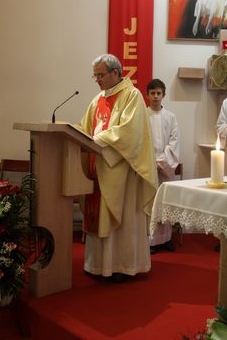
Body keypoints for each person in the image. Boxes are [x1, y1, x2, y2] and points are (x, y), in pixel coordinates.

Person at [78, 54, 158, 283]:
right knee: (99, 216)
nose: (97, 79)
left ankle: (122, 265)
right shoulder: (97, 99)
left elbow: (130, 133)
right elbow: (84, 128)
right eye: (95, 75)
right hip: (98, 166)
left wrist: (97, 139)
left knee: (123, 220)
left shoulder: (132, 95)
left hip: (122, 171)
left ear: (115, 73)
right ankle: (97, 264)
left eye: (100, 75)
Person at [146, 79, 180, 254]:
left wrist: (162, 161)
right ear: (147, 95)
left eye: (158, 93)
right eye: (152, 93)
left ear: (163, 95)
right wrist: (150, 161)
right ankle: (151, 240)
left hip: (165, 166)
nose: (155, 96)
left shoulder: (170, 117)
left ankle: (166, 238)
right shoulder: (142, 116)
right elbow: (139, 141)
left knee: (165, 203)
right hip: (148, 166)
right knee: (151, 203)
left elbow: (174, 141)